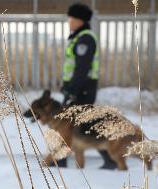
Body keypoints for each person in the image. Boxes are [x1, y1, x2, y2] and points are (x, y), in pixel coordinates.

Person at [58, 3, 117, 169]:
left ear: (80, 21)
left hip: (82, 89)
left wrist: (72, 89)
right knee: (82, 125)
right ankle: (110, 159)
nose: (69, 22)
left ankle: (61, 159)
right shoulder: (79, 37)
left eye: (71, 19)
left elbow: (82, 68)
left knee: (69, 123)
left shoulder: (86, 39)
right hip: (79, 88)